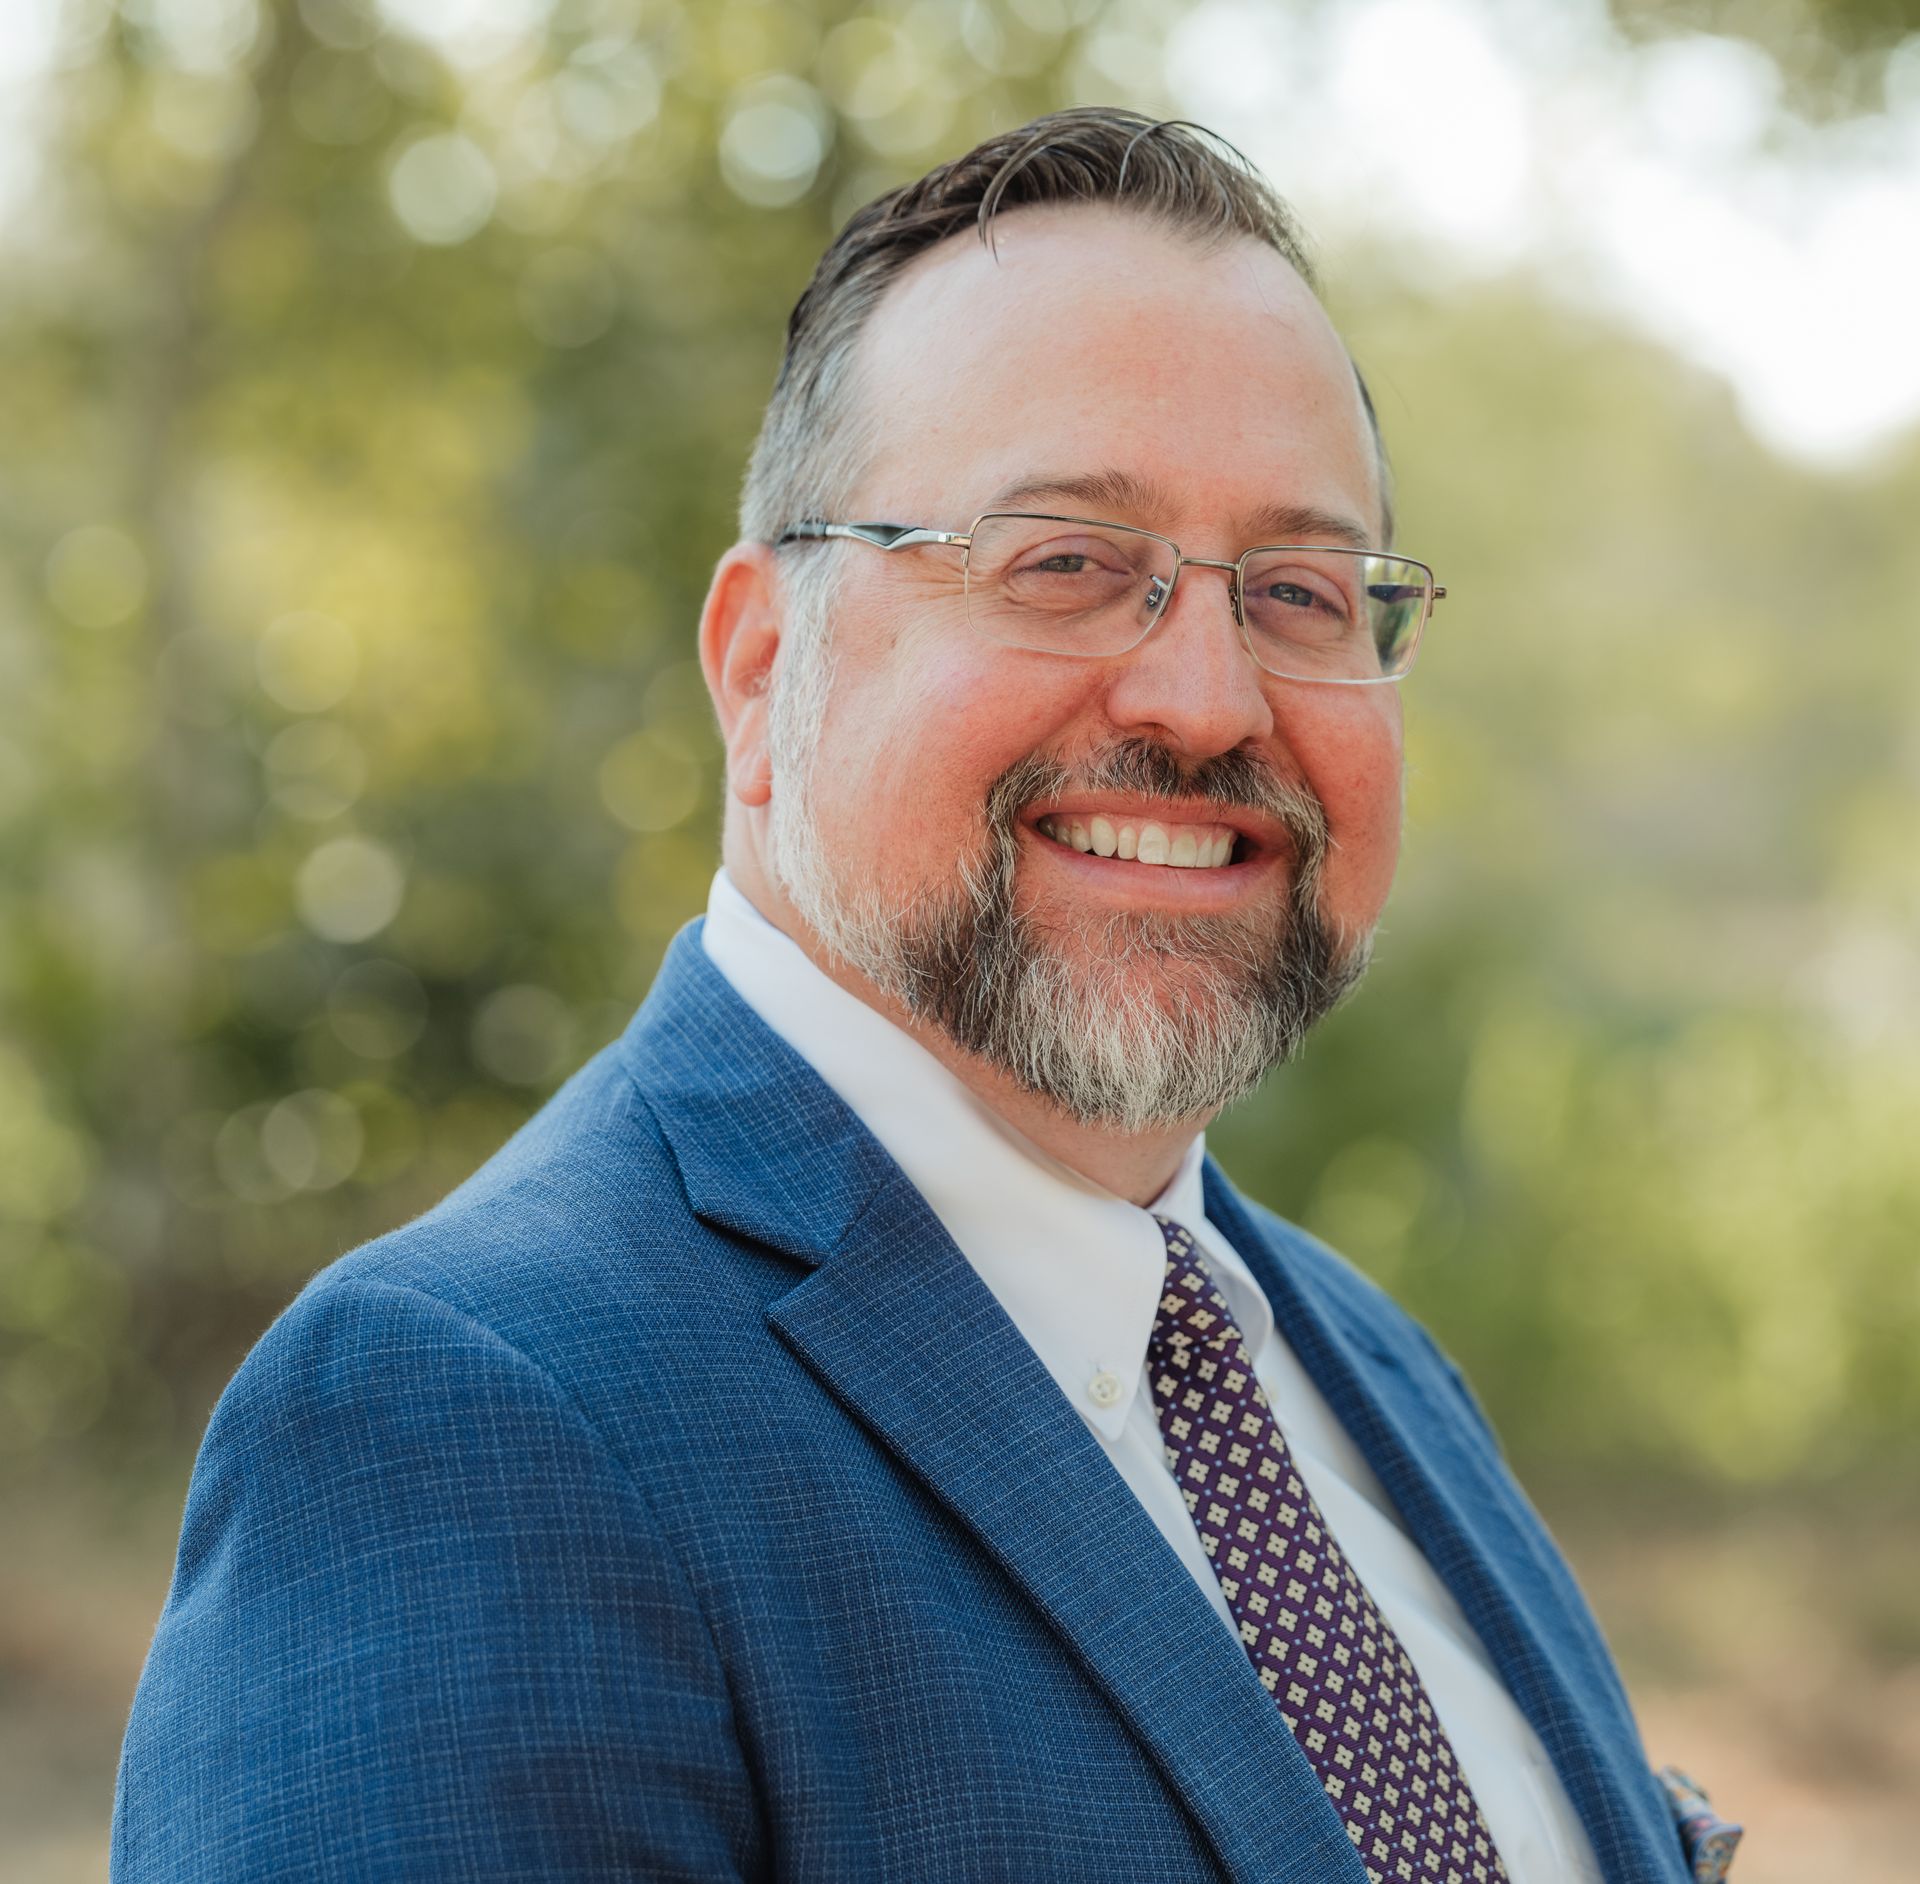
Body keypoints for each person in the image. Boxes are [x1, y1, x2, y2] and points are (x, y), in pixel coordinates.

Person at [114, 110, 1726, 1883]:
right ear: (758, 667)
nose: (1206, 698)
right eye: (1062, 563)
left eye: (1299, 592)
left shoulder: (1368, 1373)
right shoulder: (466, 1422)